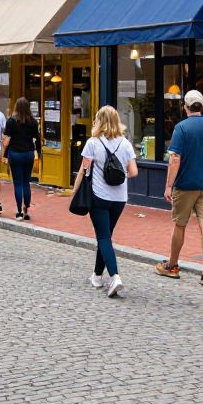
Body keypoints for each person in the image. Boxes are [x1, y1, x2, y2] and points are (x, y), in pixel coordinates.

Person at [155, 89, 203, 286]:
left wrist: (169, 185)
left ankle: (173, 265)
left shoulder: (181, 128)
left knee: (180, 224)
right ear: (202, 106)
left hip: (185, 184)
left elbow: (175, 158)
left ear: (185, 107)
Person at [73, 105, 138, 298]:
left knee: (103, 237)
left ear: (98, 121)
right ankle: (96, 276)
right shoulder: (125, 144)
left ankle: (115, 276)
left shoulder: (93, 143)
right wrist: (118, 172)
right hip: (119, 198)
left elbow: (84, 170)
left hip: (99, 196)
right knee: (106, 235)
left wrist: (75, 191)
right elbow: (133, 172)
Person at [3, 97, 41, 220]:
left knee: (17, 183)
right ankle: (26, 210)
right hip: (28, 153)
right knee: (26, 182)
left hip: (15, 153)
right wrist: (39, 154)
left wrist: (4, 155)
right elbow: (37, 139)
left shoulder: (11, 121)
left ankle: (19, 211)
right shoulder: (33, 122)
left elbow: (7, 141)